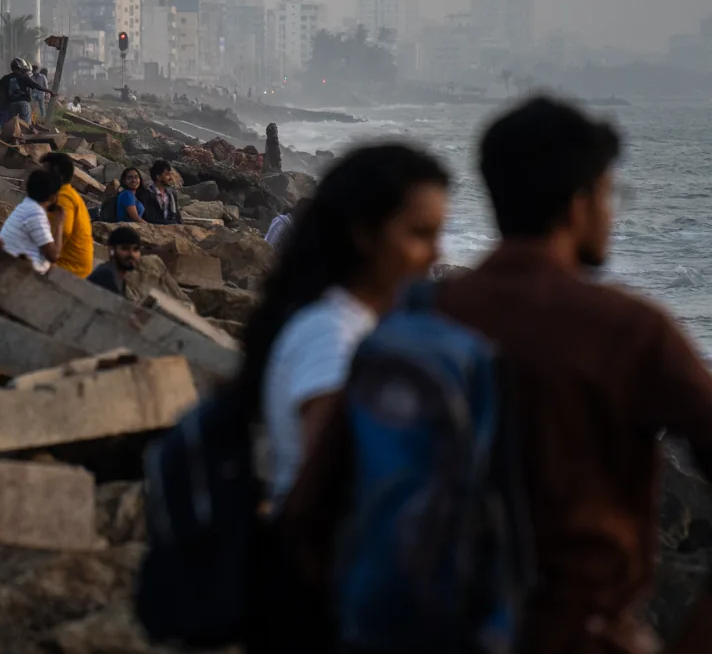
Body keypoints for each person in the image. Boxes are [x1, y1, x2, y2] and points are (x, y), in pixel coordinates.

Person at [428, 97, 712, 650]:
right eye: (609, 195)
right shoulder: (626, 331)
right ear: (578, 206)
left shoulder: (423, 316)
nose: (611, 212)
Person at [237, 143, 449, 507]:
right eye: (419, 234)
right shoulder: (331, 337)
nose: (436, 254)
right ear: (364, 234)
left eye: (438, 234)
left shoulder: (351, 322)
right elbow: (336, 489)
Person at [0, 165, 66, 270]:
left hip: (11, 264)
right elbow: (54, 255)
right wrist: (59, 224)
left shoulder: (26, 205)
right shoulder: (35, 214)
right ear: (52, 197)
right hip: (18, 273)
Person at [44, 152, 95, 278]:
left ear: (58, 175)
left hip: (69, 269)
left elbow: (64, 231)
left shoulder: (63, 197)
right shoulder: (69, 193)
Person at [86, 227, 143, 295]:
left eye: (135, 249)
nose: (131, 254)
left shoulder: (119, 278)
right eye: (125, 248)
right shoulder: (106, 276)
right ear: (111, 250)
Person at [140, 160, 181, 225]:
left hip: (173, 229)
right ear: (158, 177)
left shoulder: (172, 193)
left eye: (170, 174)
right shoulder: (147, 194)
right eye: (167, 174)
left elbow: (177, 216)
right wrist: (172, 224)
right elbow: (152, 219)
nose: (170, 177)